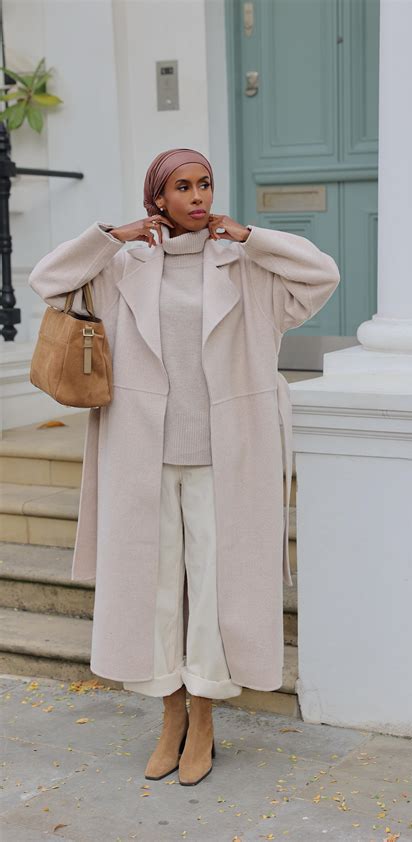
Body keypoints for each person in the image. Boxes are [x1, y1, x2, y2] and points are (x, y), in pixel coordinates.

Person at [28, 147, 340, 787]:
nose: (198, 197)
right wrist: (111, 236)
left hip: (228, 454)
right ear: (157, 198)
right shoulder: (123, 267)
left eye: (205, 184)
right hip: (141, 451)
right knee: (155, 588)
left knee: (216, 591)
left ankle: (203, 719)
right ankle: (169, 715)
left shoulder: (245, 267)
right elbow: (48, 280)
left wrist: (251, 236)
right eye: (182, 187)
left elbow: (321, 275)